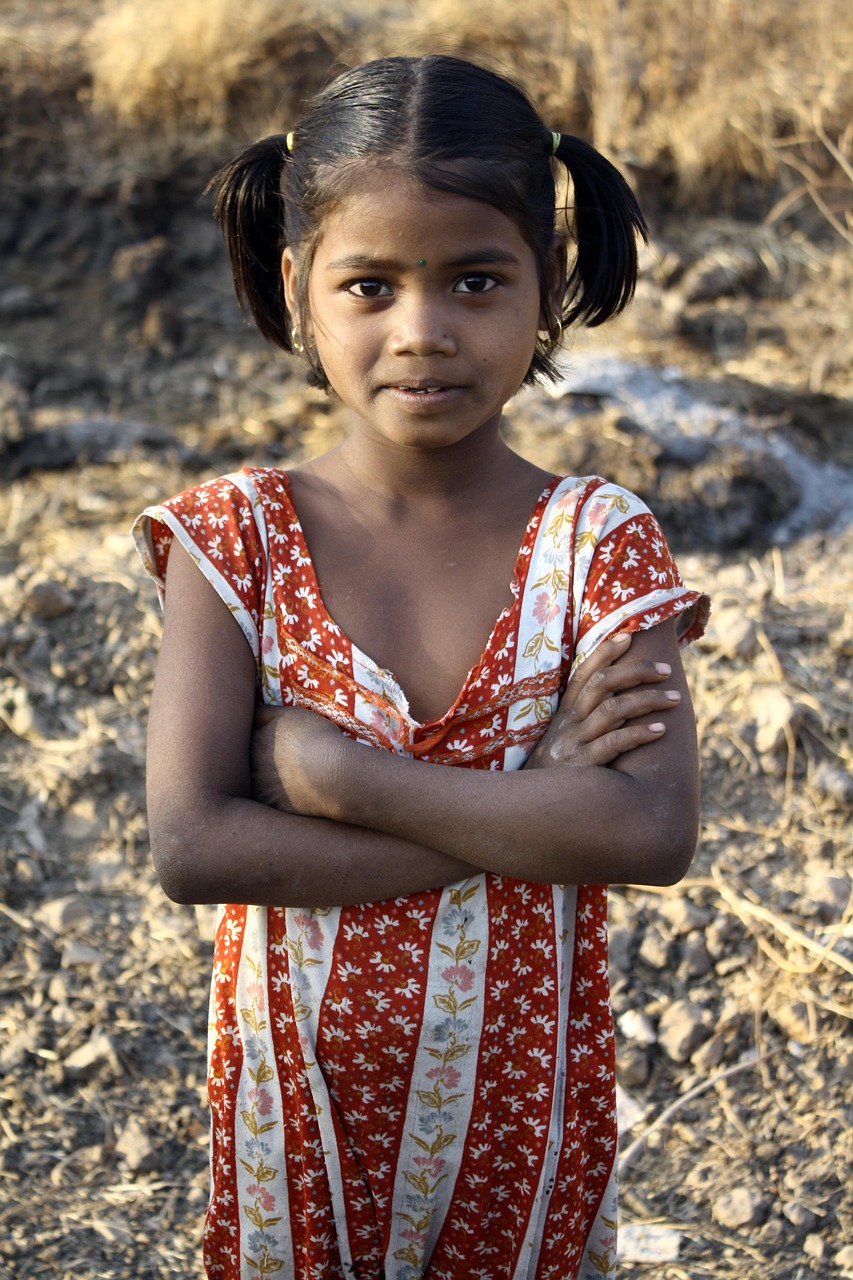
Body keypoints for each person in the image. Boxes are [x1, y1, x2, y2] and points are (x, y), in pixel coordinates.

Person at [133, 54, 709, 1280]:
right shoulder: (234, 540)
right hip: (294, 1117)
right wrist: (533, 798)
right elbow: (192, 844)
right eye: (370, 284)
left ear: (546, 288)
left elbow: (650, 831)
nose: (423, 329)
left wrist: (337, 776)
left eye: (476, 279)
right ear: (298, 291)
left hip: (524, 1112)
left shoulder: (598, 541)